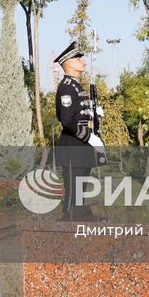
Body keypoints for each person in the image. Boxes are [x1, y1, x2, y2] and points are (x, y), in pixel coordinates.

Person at [54, 42, 98, 219]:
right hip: (73, 145)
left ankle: (78, 227)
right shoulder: (66, 87)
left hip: (81, 146)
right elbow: (67, 120)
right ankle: (67, 229)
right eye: (78, 58)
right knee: (73, 196)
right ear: (69, 63)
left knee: (80, 194)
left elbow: (80, 115)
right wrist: (88, 136)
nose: (83, 61)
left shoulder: (75, 85)